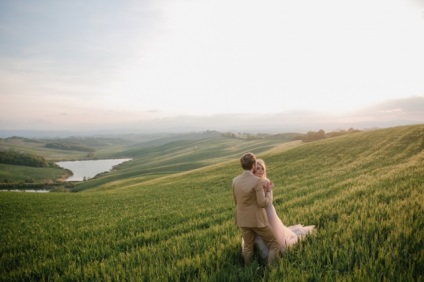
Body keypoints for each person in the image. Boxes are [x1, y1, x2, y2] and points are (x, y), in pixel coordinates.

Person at [253, 158, 316, 258]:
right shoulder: (254, 183)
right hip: (258, 213)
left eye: (262, 169)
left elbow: (269, 200)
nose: (260, 170)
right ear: (253, 170)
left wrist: (268, 190)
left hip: (268, 211)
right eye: (258, 168)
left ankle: (272, 250)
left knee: (275, 235)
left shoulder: (266, 182)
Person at [232, 152, 280, 266]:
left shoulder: (235, 180)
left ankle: (248, 271)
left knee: (248, 247)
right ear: (253, 165)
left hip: (242, 219)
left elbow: (236, 201)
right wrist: (268, 191)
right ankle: (271, 270)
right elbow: (262, 203)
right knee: (274, 244)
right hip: (257, 220)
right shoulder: (257, 181)